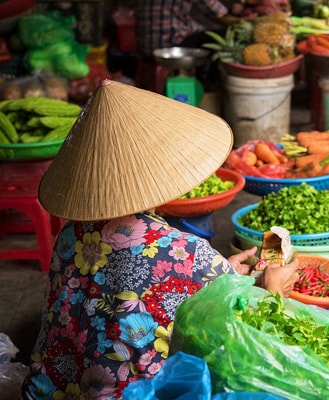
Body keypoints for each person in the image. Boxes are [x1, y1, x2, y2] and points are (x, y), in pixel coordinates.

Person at [21, 80, 299, 400]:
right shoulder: (186, 254)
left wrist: (222, 272)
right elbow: (251, 328)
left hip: (48, 391)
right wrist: (272, 289)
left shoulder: (71, 233)